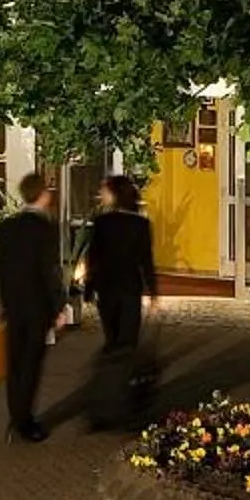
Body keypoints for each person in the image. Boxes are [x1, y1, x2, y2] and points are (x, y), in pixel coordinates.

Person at [80, 173, 159, 430]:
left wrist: (89, 289)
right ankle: (123, 399)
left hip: (108, 290)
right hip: (129, 289)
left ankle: (108, 398)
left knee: (113, 342)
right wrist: (153, 293)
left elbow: (94, 258)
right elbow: (145, 261)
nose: (101, 195)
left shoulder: (102, 222)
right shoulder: (140, 225)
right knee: (128, 343)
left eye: (104, 190)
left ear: (114, 194)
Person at [0, 171, 64, 443]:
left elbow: (1, 269)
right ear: (43, 195)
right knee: (31, 364)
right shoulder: (45, 228)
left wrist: (2, 303)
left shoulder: (6, 227)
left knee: (15, 363)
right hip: (36, 305)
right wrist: (59, 307)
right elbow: (50, 271)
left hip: (14, 303)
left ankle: (15, 415)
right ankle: (24, 421)